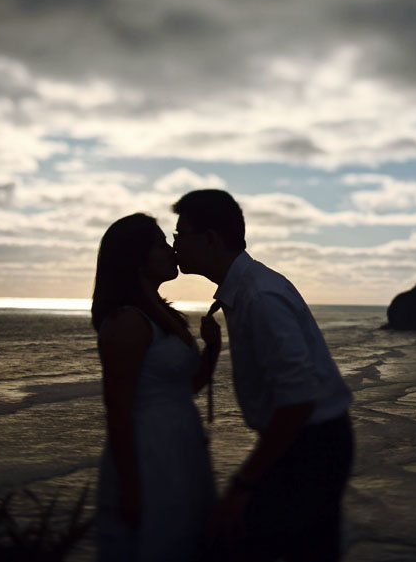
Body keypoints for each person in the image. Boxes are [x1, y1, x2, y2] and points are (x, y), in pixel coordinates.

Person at [172, 189, 354, 562]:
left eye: (180, 235)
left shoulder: (259, 297)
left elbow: (299, 398)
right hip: (308, 440)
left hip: (310, 445)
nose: (174, 245)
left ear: (210, 239)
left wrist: (244, 482)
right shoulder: (248, 290)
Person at [91, 213, 220, 562]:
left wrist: (212, 351)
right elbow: (117, 408)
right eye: (161, 243)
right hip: (149, 452)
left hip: (180, 446)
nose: (170, 250)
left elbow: (185, 387)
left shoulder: (161, 315)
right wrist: (131, 487)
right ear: (137, 257)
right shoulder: (127, 321)